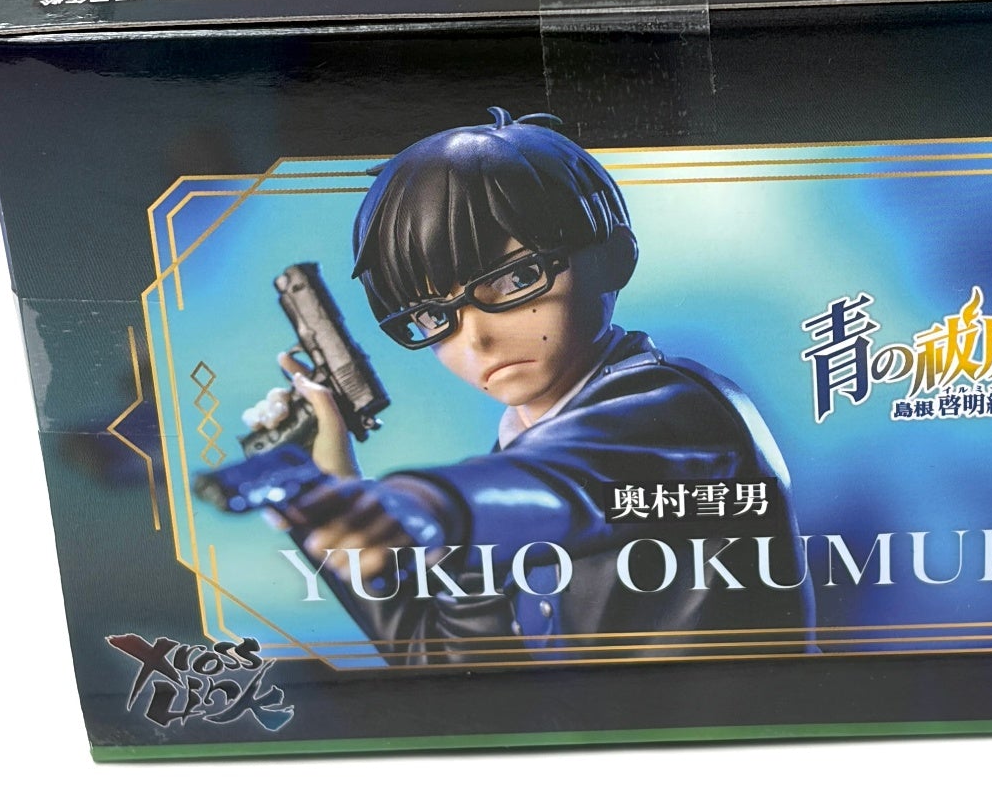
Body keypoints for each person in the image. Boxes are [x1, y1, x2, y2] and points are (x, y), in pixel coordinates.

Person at [245, 109, 815, 665]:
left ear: (612, 258)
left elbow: (575, 474)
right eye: (432, 315)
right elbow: (444, 658)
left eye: (516, 277)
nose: (476, 338)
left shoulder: (680, 411)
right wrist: (325, 490)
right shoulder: (503, 471)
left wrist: (422, 505)